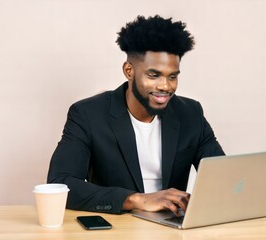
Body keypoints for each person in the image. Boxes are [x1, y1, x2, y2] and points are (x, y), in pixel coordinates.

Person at [47, 15, 225, 216]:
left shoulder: (190, 113)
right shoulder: (88, 115)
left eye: (172, 76)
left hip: (173, 227)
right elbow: (60, 184)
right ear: (129, 70)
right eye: (154, 75)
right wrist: (136, 200)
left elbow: (223, 177)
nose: (165, 86)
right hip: (119, 227)